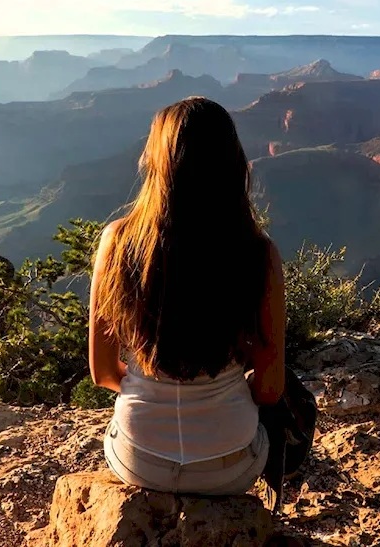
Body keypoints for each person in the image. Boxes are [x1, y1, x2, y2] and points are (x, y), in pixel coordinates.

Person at [88, 96, 287, 496]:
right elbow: (270, 389)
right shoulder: (257, 253)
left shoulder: (117, 242)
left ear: (158, 162)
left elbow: (104, 374)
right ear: (232, 164)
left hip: (138, 458)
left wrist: (154, 387)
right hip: (229, 465)